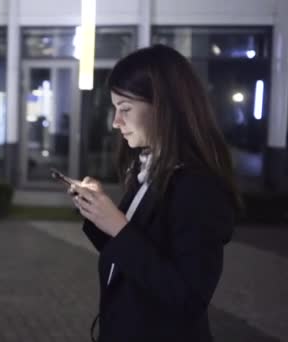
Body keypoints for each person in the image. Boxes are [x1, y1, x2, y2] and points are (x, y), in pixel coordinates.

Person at [68, 44, 242, 342]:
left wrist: (118, 227)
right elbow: (136, 258)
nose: (115, 122)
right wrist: (97, 213)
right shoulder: (149, 169)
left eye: (125, 109)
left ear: (165, 107)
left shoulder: (198, 186)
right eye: (114, 109)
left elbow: (188, 298)